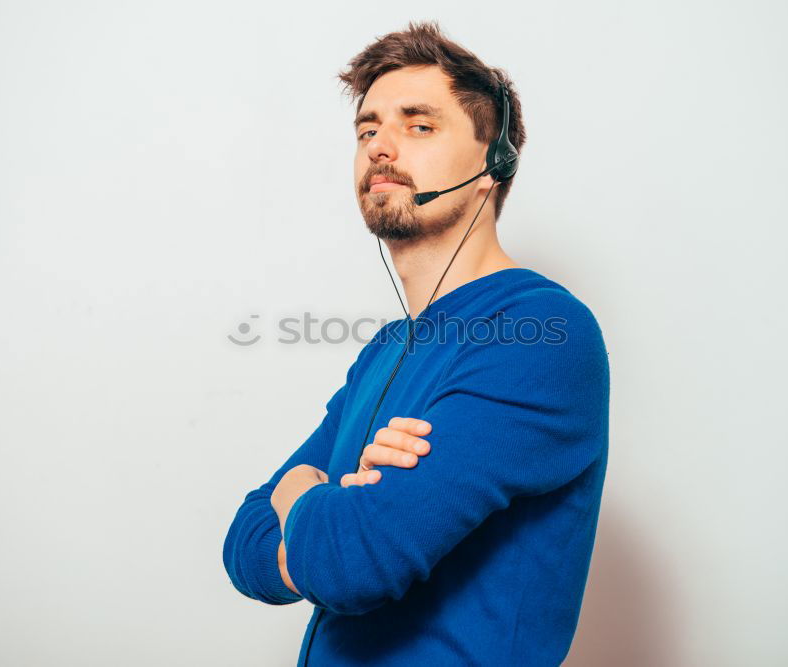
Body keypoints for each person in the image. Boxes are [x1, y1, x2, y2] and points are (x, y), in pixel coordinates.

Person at [223, 20, 610, 666]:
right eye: (368, 129)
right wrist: (331, 513)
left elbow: (352, 561)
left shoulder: (542, 335)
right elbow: (243, 541)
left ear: (494, 165)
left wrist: (298, 489)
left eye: (418, 125)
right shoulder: (384, 350)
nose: (380, 146)